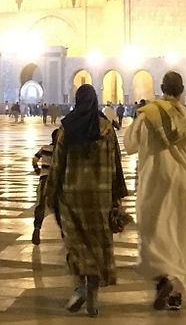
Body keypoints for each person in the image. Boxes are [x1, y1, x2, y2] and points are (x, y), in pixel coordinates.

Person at [124, 70, 186, 311]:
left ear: (161, 88)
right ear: (182, 90)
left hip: (154, 183)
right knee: (182, 239)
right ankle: (175, 293)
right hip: (184, 185)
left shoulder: (148, 114)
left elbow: (130, 144)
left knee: (155, 236)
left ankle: (161, 279)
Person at [46, 84, 127, 317]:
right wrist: (116, 196)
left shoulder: (67, 128)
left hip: (72, 198)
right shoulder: (107, 130)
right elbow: (116, 165)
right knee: (96, 245)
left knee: (77, 245)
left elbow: (57, 165)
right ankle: (92, 293)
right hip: (99, 198)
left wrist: (50, 195)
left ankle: (82, 284)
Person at [32, 126, 61, 244]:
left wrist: (37, 170)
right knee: (60, 207)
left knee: (40, 205)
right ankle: (64, 232)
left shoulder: (45, 148)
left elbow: (34, 159)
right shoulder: (61, 150)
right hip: (56, 181)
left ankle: (37, 228)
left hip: (44, 179)